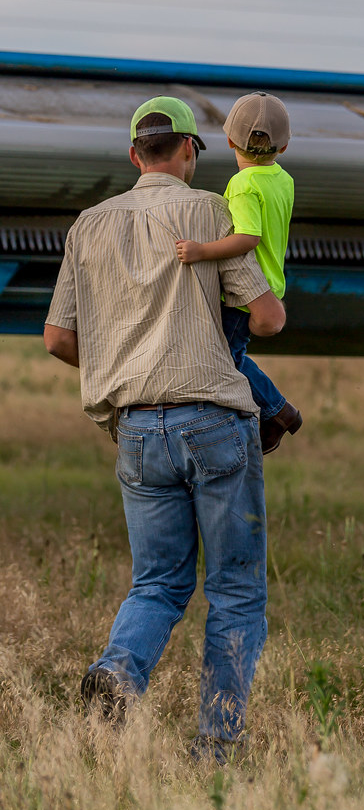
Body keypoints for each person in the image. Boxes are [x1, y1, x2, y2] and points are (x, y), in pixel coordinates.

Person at [44, 95, 285, 763]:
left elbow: (58, 338)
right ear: (186, 152)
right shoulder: (208, 211)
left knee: (156, 582)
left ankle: (118, 675)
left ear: (132, 155)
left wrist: (123, 369)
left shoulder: (87, 225)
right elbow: (264, 319)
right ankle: (216, 747)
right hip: (212, 420)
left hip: (136, 430)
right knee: (235, 590)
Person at [175, 92, 301, 455]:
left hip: (245, 290)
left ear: (229, 140)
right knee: (233, 354)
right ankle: (278, 412)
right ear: (286, 145)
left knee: (225, 359)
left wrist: (201, 251)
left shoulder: (244, 185)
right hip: (271, 280)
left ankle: (278, 411)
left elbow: (247, 238)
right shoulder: (283, 179)